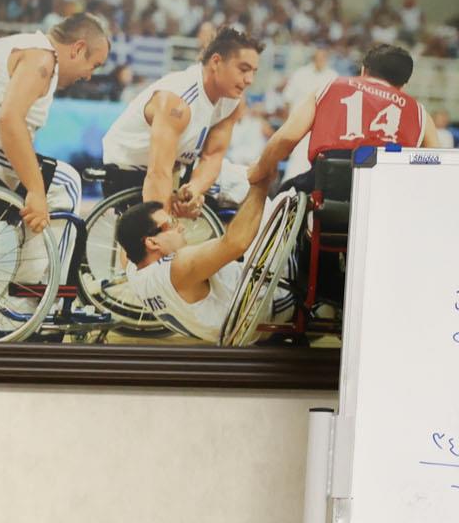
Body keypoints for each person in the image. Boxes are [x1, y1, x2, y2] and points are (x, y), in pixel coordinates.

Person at [0, 13, 112, 235]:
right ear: (77, 49)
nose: (89, 76)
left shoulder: (28, 46)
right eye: (94, 65)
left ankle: (34, 257)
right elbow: (10, 120)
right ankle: (48, 260)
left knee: (41, 176)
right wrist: (36, 190)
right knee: (64, 182)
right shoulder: (41, 57)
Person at [115, 160, 288, 343]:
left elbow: (126, 234)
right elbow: (237, 242)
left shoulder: (134, 269)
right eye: (172, 223)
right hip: (272, 299)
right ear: (151, 242)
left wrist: (170, 205)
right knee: (287, 193)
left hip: (240, 329)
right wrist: (260, 185)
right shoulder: (178, 268)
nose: (181, 227)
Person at [102, 24, 262, 217]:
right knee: (162, 229)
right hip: (129, 170)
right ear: (216, 62)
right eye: (243, 70)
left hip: (176, 167)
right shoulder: (177, 101)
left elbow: (213, 156)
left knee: (252, 187)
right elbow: (158, 173)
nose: (250, 80)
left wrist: (194, 190)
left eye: (254, 72)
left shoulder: (233, 101)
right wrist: (164, 225)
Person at [250, 44, 432, 188]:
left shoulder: (331, 85)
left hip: (329, 185)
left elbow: (287, 137)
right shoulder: (419, 112)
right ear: (403, 85)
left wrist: (260, 171)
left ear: (363, 71)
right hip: (385, 194)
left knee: (281, 192)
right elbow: (437, 166)